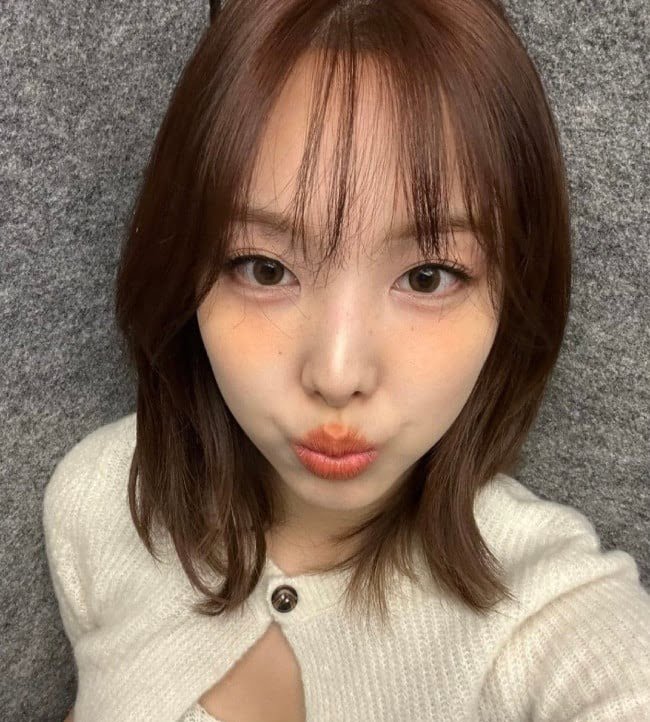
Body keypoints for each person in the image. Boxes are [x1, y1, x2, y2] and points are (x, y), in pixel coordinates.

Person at [43, 1, 650, 721]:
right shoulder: (102, 500)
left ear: (516, 294)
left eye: (428, 276)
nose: (336, 375)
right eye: (264, 268)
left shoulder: (550, 613)